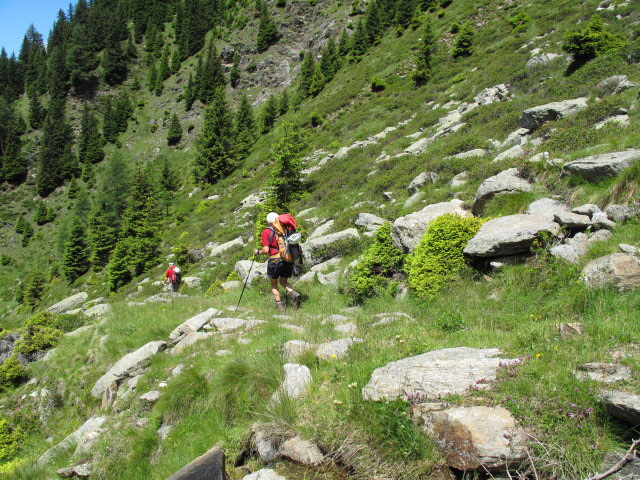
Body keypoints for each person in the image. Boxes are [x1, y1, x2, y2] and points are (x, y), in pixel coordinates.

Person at [254, 212, 301, 313]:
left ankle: (280, 308)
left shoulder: (266, 232)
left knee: (274, 284)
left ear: (268, 222)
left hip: (275, 260)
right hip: (287, 258)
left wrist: (258, 252)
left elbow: (266, 250)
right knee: (283, 281)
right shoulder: (284, 229)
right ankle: (293, 293)